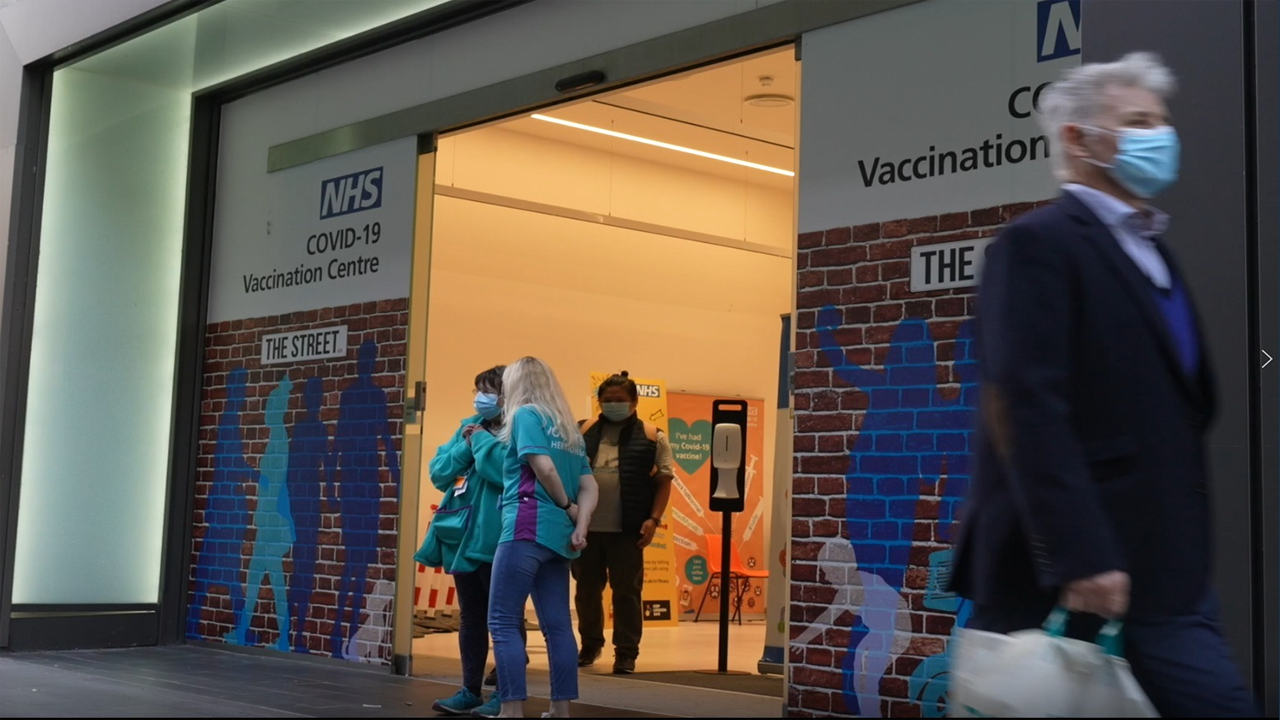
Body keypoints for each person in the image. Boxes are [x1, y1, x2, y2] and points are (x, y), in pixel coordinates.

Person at [949, 52, 1259, 717]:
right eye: (1139, 121)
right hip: (1082, 571)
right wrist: (1079, 552)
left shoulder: (1153, 250)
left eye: (1162, 121)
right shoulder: (1038, 245)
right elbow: (1024, 404)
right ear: (1077, 139)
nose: (1161, 135)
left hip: (1167, 565)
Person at [488, 357, 599, 719]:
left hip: (525, 528)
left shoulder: (526, 416)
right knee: (558, 625)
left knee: (503, 620)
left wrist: (565, 505)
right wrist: (580, 525)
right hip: (561, 540)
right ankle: (560, 708)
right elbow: (589, 484)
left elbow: (543, 467)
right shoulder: (568, 428)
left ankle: (510, 709)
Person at [416, 366, 520, 718]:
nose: (481, 397)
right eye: (478, 390)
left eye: (489, 390)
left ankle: (506, 695)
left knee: (505, 620)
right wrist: (465, 444)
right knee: (471, 617)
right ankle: (469, 690)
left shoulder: (519, 430)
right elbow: (438, 472)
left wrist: (480, 441)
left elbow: (504, 475)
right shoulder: (468, 424)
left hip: (500, 540)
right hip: (460, 538)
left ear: (509, 394)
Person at [572, 371, 674, 675]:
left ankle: (626, 652)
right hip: (585, 528)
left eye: (620, 400)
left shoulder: (652, 435)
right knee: (587, 590)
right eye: (607, 400)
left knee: (626, 592)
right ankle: (590, 645)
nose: (613, 405)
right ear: (599, 401)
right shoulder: (582, 430)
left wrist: (653, 519)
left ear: (634, 402)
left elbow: (665, 480)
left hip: (627, 530)